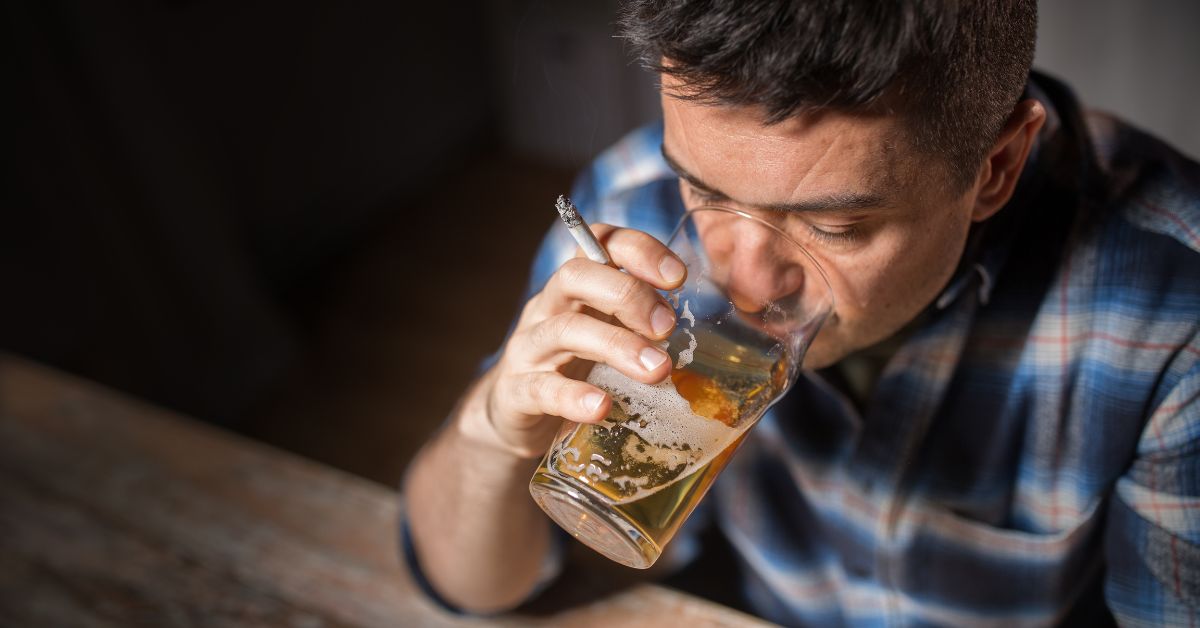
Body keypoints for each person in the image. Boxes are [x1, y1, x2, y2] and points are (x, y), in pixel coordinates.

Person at [402, 0, 1200, 624]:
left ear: (996, 167)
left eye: (831, 225)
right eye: (705, 191)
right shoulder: (629, 209)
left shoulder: (1174, 308)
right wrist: (493, 434)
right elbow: (470, 588)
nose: (746, 278)